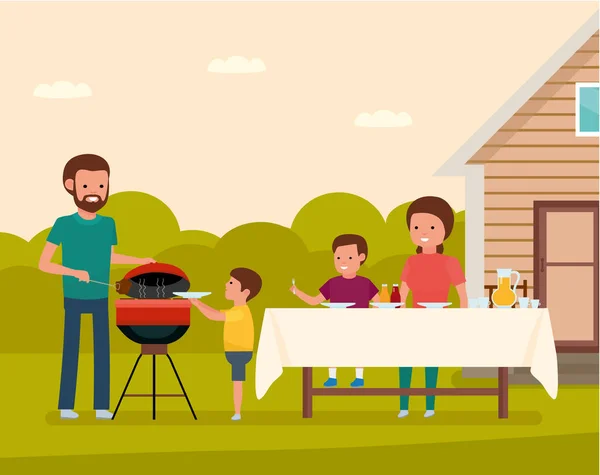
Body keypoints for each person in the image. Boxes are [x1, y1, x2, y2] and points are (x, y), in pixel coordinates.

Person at [38, 154, 155, 420]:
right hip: (74, 296)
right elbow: (44, 263)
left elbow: (110, 257)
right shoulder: (64, 224)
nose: (95, 193)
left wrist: (140, 261)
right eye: (87, 185)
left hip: (100, 296)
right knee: (72, 350)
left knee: (102, 352)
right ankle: (66, 406)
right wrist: (72, 271)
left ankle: (101, 406)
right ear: (71, 186)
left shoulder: (108, 224)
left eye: (101, 186)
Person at [398, 196, 467, 419]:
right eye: (416, 226)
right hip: (412, 321)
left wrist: (462, 319)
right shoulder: (411, 261)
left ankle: (430, 405)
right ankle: (404, 405)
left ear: (445, 231)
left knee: (430, 364)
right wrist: (399, 312)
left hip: (439, 321)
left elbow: (461, 295)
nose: (423, 232)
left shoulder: (450, 262)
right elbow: (403, 293)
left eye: (431, 226)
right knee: (405, 362)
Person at [290, 234, 380, 388]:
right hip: (336, 324)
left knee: (359, 349)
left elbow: (378, 302)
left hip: (359, 325)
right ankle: (332, 377)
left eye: (349, 257)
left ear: (361, 257)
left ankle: (359, 377)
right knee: (333, 349)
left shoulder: (366, 283)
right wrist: (297, 292)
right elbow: (314, 301)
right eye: (338, 258)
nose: (343, 262)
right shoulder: (332, 283)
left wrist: (369, 317)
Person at [190, 267, 262, 422]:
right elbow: (216, 312)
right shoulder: (236, 309)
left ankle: (237, 412)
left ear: (245, 292)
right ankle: (237, 411)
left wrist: (197, 305)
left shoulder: (240, 312)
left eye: (231, 282)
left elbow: (214, 316)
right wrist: (198, 303)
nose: (226, 284)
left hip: (239, 353)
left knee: (237, 382)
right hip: (235, 352)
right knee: (236, 381)